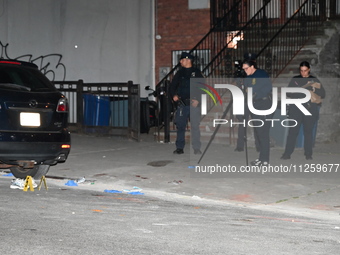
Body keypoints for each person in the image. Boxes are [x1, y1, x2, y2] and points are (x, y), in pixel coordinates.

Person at [281, 61, 325, 160]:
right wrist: (301, 92)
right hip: (296, 109)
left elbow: (323, 93)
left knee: (308, 132)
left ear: (309, 70)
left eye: (305, 71)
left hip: (309, 109)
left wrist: (313, 90)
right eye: (301, 71)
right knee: (292, 132)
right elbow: (289, 92)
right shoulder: (295, 79)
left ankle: (308, 154)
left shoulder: (314, 80)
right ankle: (287, 153)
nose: (303, 73)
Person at [169, 52, 203, 155]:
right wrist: (174, 95)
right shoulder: (179, 73)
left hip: (194, 103)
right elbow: (172, 86)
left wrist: (198, 99)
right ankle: (179, 147)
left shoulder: (196, 72)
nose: (180, 62)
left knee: (195, 127)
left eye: (182, 60)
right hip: (182, 104)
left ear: (188, 60)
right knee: (180, 126)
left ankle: (196, 148)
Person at [242, 59, 273, 166]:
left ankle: (265, 160)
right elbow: (246, 89)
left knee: (263, 132)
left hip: (264, 104)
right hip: (253, 104)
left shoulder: (261, 74)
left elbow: (267, 88)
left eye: (246, 68)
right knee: (258, 132)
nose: (245, 71)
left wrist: (255, 92)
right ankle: (261, 157)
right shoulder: (247, 77)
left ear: (252, 66)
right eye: (243, 69)